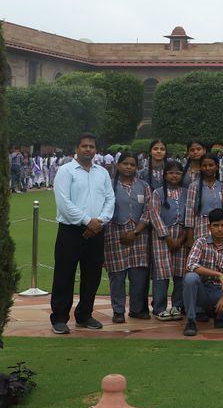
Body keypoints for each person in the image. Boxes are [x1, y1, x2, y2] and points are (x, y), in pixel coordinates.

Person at [50, 134, 115, 335]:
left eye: (91, 146)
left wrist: (100, 221)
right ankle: (59, 317)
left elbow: (110, 199)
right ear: (77, 148)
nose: (88, 149)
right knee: (64, 274)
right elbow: (64, 202)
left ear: (96, 150)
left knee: (92, 275)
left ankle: (85, 314)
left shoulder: (102, 173)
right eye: (84, 146)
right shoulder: (66, 171)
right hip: (71, 230)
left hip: (97, 230)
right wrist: (88, 221)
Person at [180, 208, 223, 337]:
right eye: (216, 225)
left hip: (220, 291)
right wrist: (219, 274)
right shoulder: (201, 242)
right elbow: (190, 264)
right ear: (209, 227)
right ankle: (191, 321)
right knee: (190, 277)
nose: (219, 229)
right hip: (202, 289)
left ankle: (220, 315)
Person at [104, 151, 151, 323]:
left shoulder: (144, 186)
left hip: (139, 234)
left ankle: (137, 309)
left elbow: (148, 210)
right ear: (118, 165)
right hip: (115, 233)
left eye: (132, 164)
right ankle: (118, 310)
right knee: (117, 275)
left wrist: (136, 231)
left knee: (138, 275)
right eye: (125, 164)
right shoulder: (109, 185)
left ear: (137, 167)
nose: (128, 167)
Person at [147, 159, 190, 321]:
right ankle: (159, 308)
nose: (174, 176)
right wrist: (167, 237)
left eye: (178, 173)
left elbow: (190, 215)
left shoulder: (187, 192)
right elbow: (154, 214)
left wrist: (183, 237)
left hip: (182, 235)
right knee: (162, 273)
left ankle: (177, 306)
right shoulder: (158, 193)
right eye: (171, 173)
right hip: (162, 237)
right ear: (165, 175)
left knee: (181, 272)